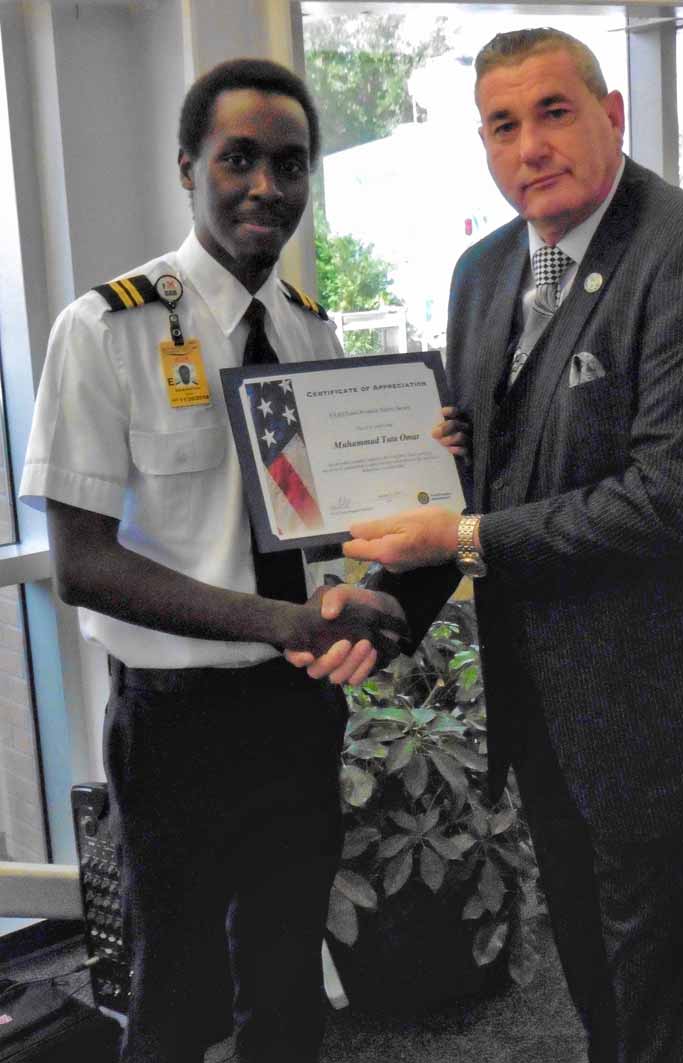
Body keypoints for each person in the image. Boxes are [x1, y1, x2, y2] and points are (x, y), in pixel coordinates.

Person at [294, 27, 683, 1063]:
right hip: (540, 709)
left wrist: (457, 527)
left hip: (664, 715)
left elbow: (681, 498)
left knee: (665, 1013)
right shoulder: (483, 272)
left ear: (612, 115)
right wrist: (383, 606)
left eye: (554, 112)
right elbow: (480, 481)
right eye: (503, 126)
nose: (530, 147)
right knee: (595, 983)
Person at [19, 58, 414, 1063]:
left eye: (290, 164)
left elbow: (342, 526)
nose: (265, 187)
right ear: (188, 165)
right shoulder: (104, 330)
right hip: (175, 723)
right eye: (239, 158)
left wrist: (423, 461)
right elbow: (83, 566)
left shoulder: (311, 335)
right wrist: (283, 621)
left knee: (285, 988)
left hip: (294, 710)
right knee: (178, 997)